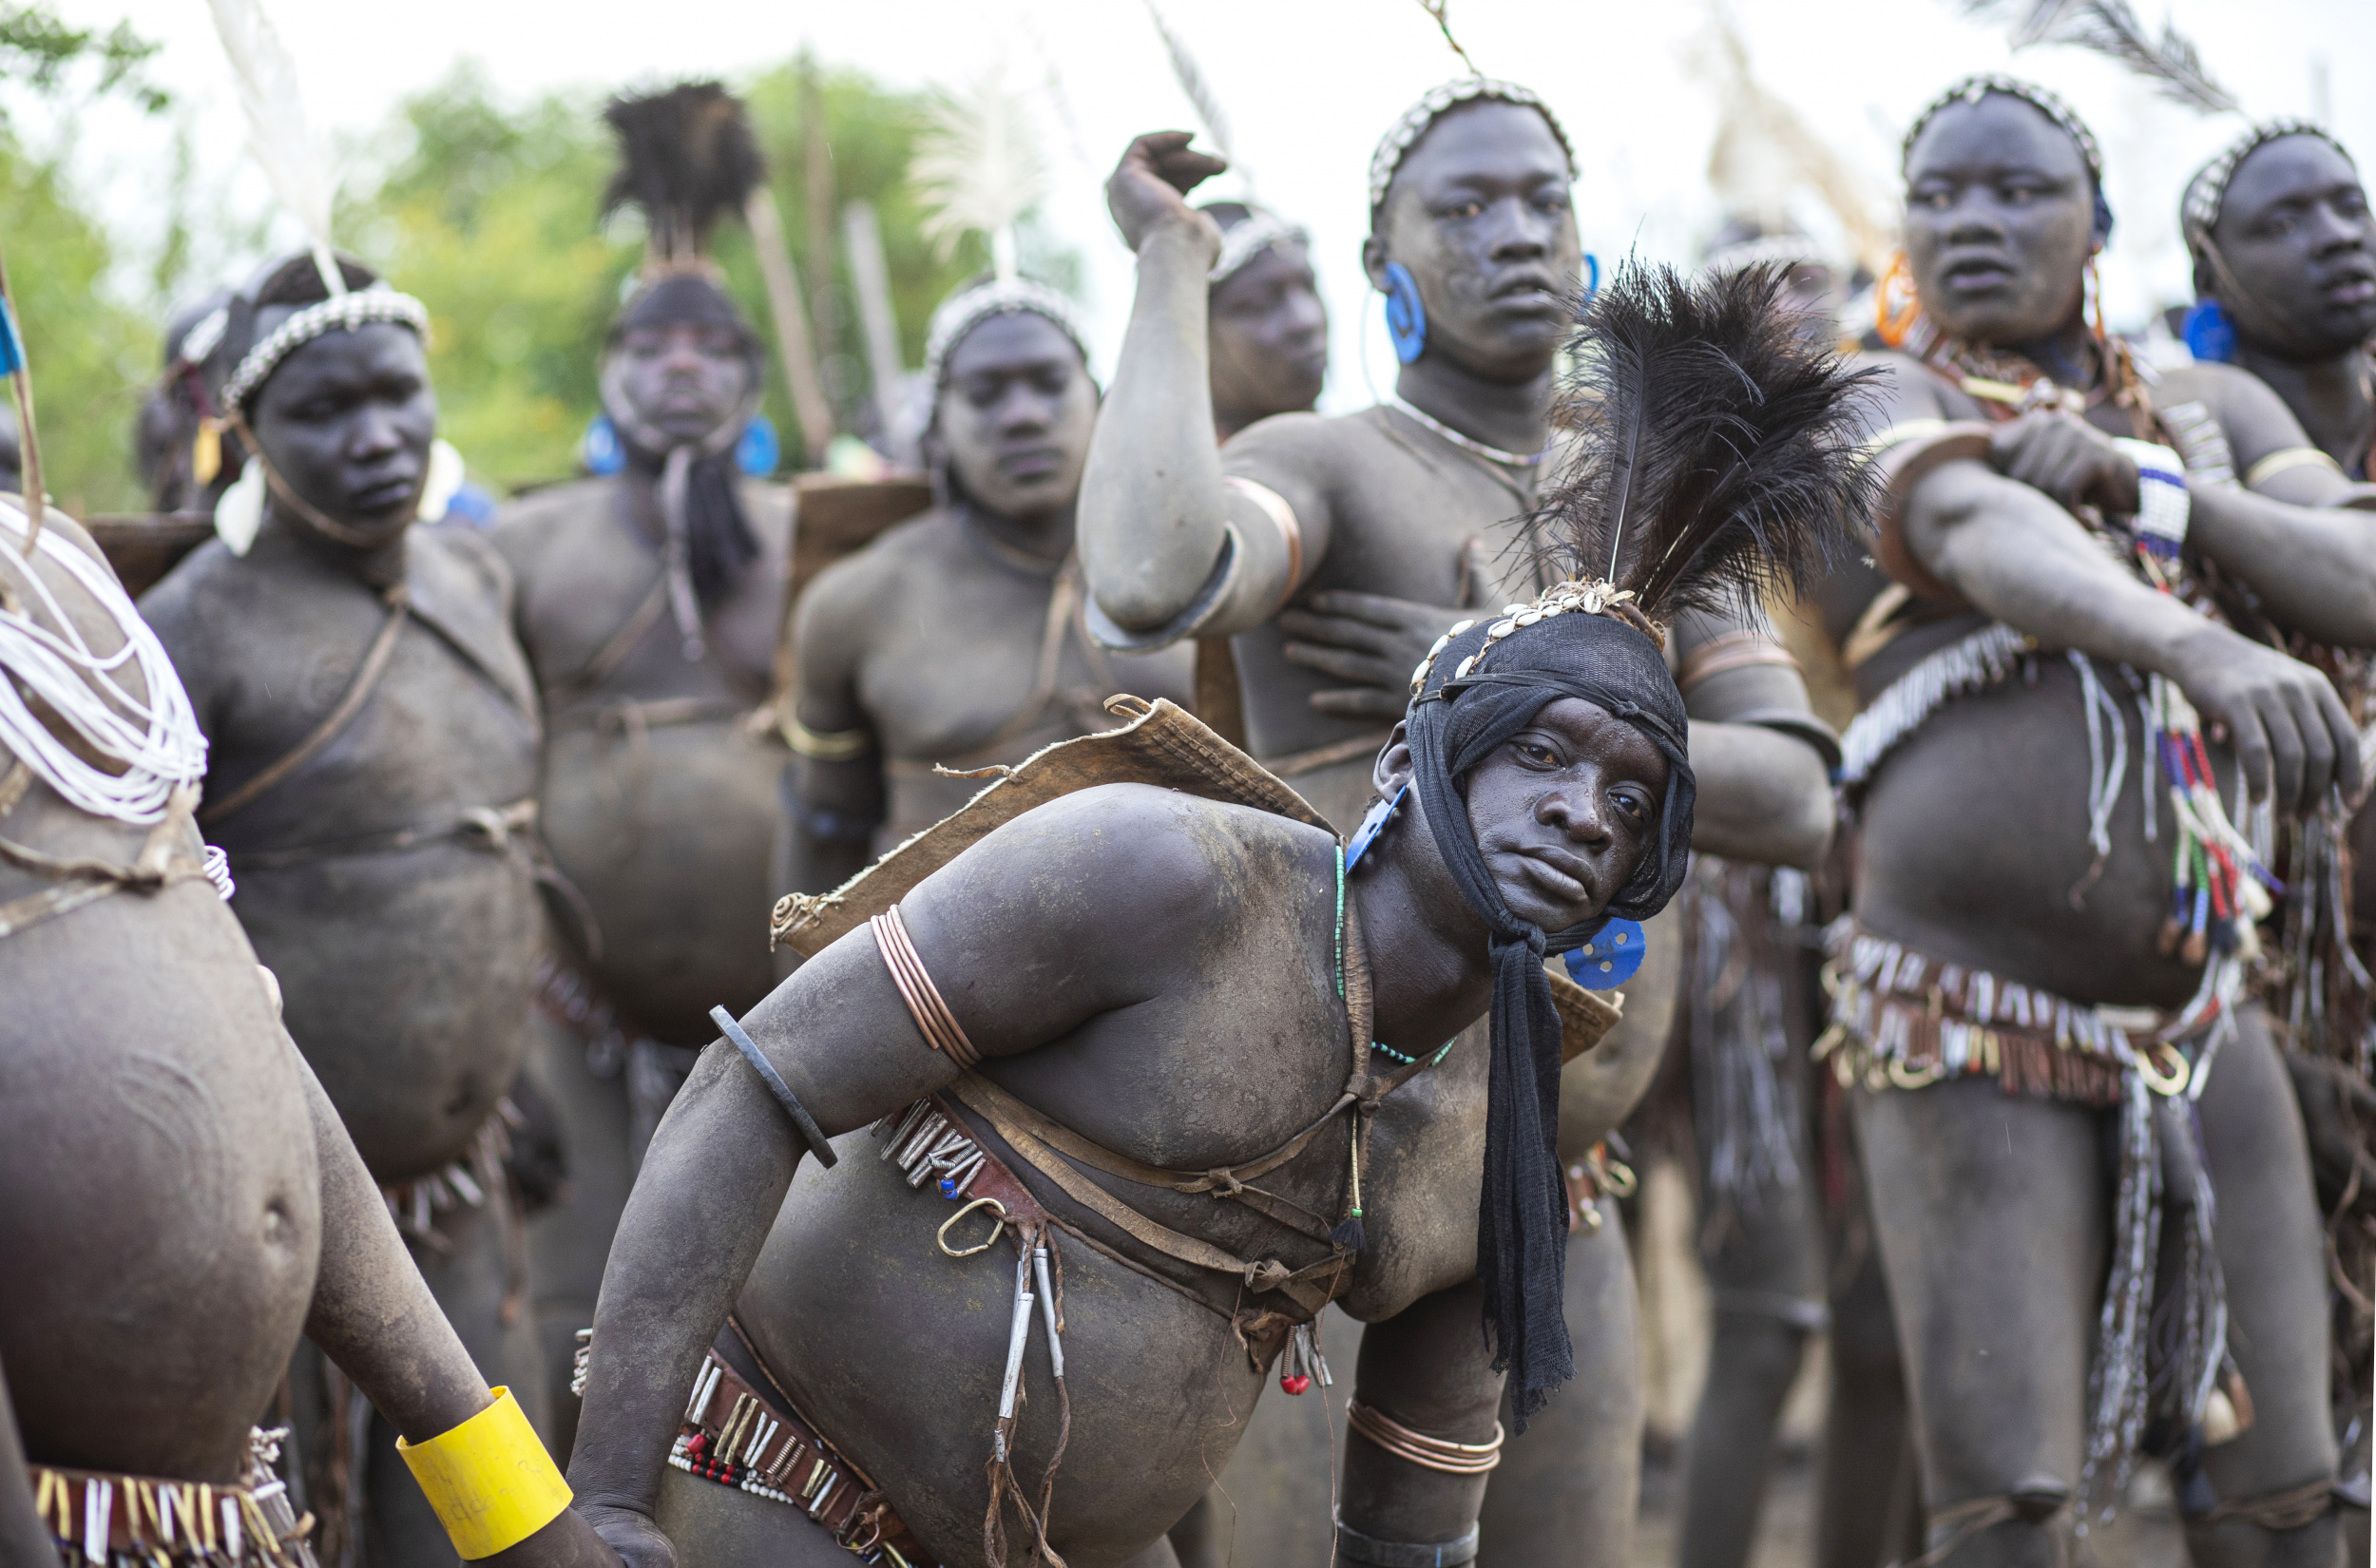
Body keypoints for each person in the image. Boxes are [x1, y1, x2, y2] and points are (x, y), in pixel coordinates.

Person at [564, 258, 1872, 1568]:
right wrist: (608, 1499)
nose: (1583, 812)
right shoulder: (1163, 872)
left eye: (1630, 800)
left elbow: (1407, 1525)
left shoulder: (1498, 1125)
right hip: (773, 1481)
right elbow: (751, 1087)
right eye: (1537, 753)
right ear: (1406, 763)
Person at [1079, 82, 1837, 1567]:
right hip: (1307, 1188)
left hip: (1548, 1192)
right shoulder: (1331, 462)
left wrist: (1483, 665)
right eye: (1464, 206)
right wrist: (1170, 262)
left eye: (1541, 198)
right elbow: (1152, 576)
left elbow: (1796, 795)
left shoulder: (1659, 503)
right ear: (1386, 266)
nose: (1512, 232)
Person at [1820, 74, 2376, 1561]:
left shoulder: (2205, 411)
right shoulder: (1879, 397)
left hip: (2205, 1011)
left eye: (2018, 190)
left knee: (2288, 1501)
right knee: (2011, 1510)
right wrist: (2197, 643)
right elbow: (1965, 523)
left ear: (2101, 223)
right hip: (1964, 1014)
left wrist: (2154, 491)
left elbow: (2361, 572)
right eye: (1939, 194)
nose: (1973, 220)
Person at [0, 488, 613, 1568]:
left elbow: (237, 1005)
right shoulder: (198, 612)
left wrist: (521, 1514)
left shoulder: (52, 564)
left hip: (223, 1509)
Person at [142, 251, 554, 1566]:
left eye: (396, 394)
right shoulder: (189, 631)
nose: (376, 436)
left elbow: (502, 857)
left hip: (465, 1181)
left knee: (489, 1527)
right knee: (311, 1532)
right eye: (324, 410)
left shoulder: (475, 579)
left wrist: (519, 1071)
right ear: (248, 432)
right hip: (280, 1222)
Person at [490, 84, 796, 1459]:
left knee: (779, 1317)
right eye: (653, 343)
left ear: (749, 379)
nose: (683, 366)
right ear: (611, 370)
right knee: (571, 1307)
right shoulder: (523, 544)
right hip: (568, 1003)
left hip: (787, 1013)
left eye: (711, 346)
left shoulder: (817, 535)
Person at [2180, 119, 2376, 1539]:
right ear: (2211, 268)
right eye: (2286, 220)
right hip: (2246, 989)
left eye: (2347, 205)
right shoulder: (2175, 427)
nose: (2336, 236)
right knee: (2259, 1406)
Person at [776, 276, 1191, 899]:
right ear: (936, 427)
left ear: (1102, 401)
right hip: (952, 960)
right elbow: (825, 838)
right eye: (984, 393)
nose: (1023, 416)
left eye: (1049, 383)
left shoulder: (1197, 560)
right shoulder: (858, 604)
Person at [1202, 201, 1328, 443]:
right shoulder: (1176, 465)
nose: (1306, 320)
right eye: (1259, 305)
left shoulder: (1365, 445)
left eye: (1308, 286)